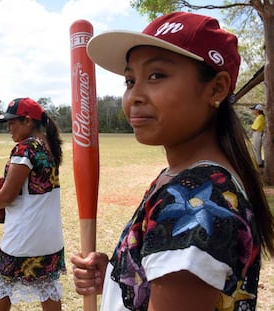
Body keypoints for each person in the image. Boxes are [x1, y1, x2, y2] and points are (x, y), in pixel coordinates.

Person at [71, 12, 274, 311]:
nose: (134, 96)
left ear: (216, 88)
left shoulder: (198, 202)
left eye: (156, 76)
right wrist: (120, 277)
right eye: (130, 80)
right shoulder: (186, 179)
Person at [0, 97, 66, 311]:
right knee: (49, 290)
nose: (9, 129)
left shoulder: (24, 149)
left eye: (12, 123)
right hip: (50, 236)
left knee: (3, 289)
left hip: (23, 237)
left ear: (28, 121)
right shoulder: (49, 146)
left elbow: (8, 195)